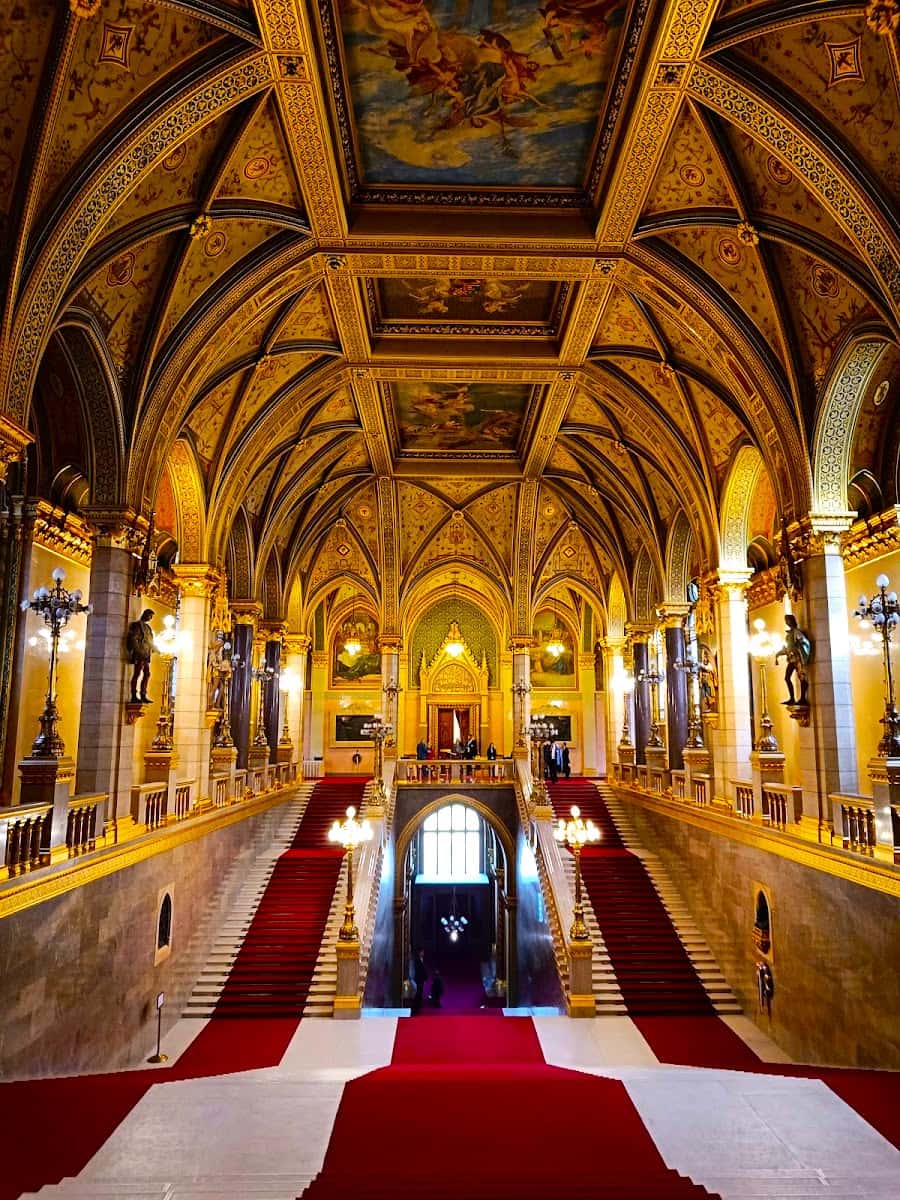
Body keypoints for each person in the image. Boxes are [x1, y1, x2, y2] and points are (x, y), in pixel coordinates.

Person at [775, 615, 812, 705]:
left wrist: (797, 646)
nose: (787, 622)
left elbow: (802, 641)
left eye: (788, 620)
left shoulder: (796, 632)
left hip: (798, 658)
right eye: (786, 621)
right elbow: (788, 648)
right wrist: (778, 654)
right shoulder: (788, 635)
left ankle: (803, 697)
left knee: (801, 677)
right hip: (791, 659)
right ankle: (792, 698)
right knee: (787, 678)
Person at [126, 608, 155, 703]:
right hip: (139, 654)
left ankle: (143, 694)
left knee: (147, 674)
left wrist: (155, 649)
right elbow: (134, 639)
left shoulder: (148, 628)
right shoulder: (137, 626)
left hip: (146, 654)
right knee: (137, 674)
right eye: (150, 616)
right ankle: (134, 695)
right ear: (146, 615)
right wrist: (138, 650)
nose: (151, 618)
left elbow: (150, 641)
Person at [411, 947, 427, 1015]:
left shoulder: (421, 959)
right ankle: (416, 1008)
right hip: (418, 979)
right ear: (419, 952)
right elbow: (419, 970)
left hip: (421, 979)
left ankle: (418, 1007)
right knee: (418, 993)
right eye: (422, 952)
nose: (423, 953)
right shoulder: (417, 960)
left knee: (420, 993)